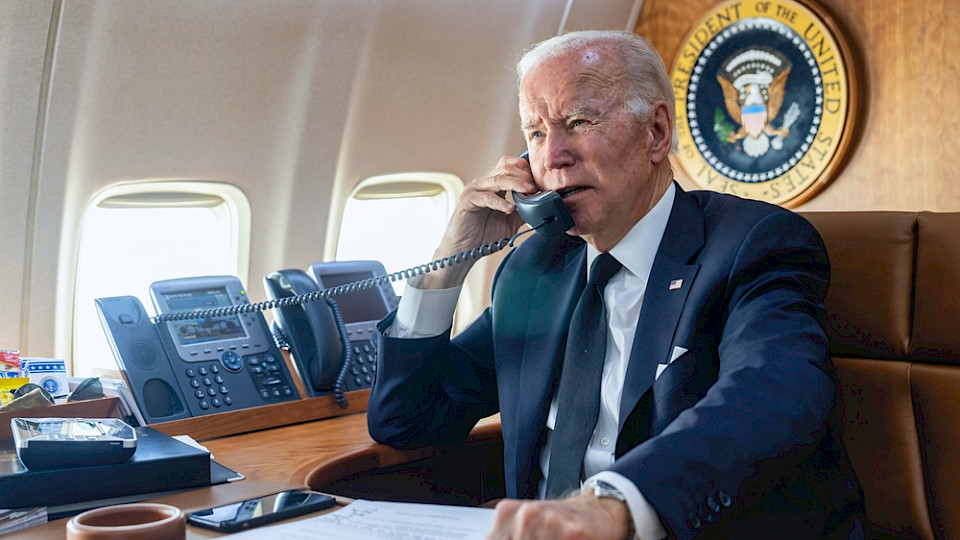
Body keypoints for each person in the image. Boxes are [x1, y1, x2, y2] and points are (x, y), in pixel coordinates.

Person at [366, 30, 865, 539]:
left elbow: (772, 396)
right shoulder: (535, 269)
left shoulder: (752, 244)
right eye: (535, 134)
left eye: (578, 122)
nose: (553, 156)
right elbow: (408, 420)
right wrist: (449, 260)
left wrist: (613, 505)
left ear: (655, 132)